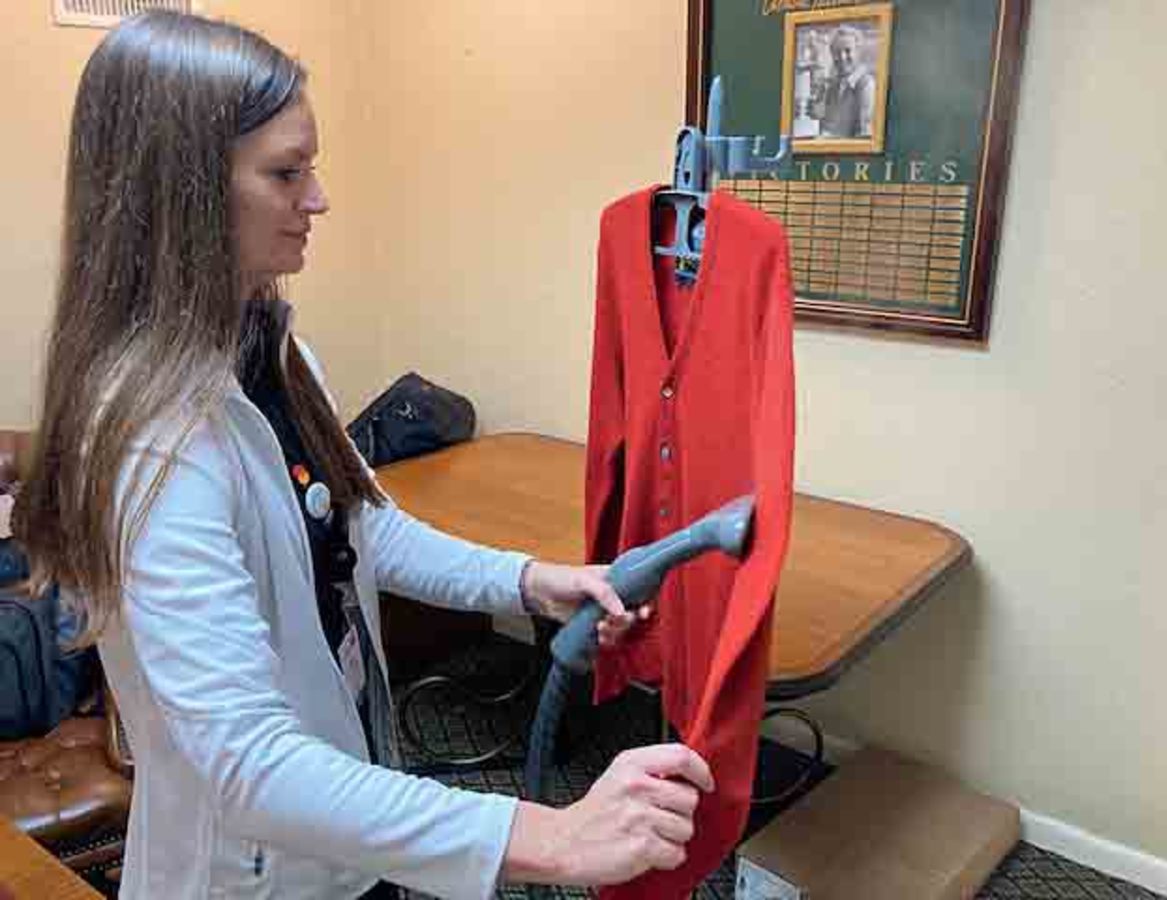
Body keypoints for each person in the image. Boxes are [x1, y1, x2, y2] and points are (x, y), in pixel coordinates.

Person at [12, 11, 713, 900]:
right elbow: (250, 766)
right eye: (285, 172)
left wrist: (531, 580)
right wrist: (551, 835)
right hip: (251, 874)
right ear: (182, 192)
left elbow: (360, 525)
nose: (319, 199)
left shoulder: (270, 348)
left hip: (342, 828)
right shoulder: (157, 441)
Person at [809, 25, 875, 138]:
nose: (842, 57)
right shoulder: (833, 86)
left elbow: (865, 136)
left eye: (848, 51)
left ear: (858, 51)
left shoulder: (866, 85)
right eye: (836, 52)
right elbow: (827, 126)